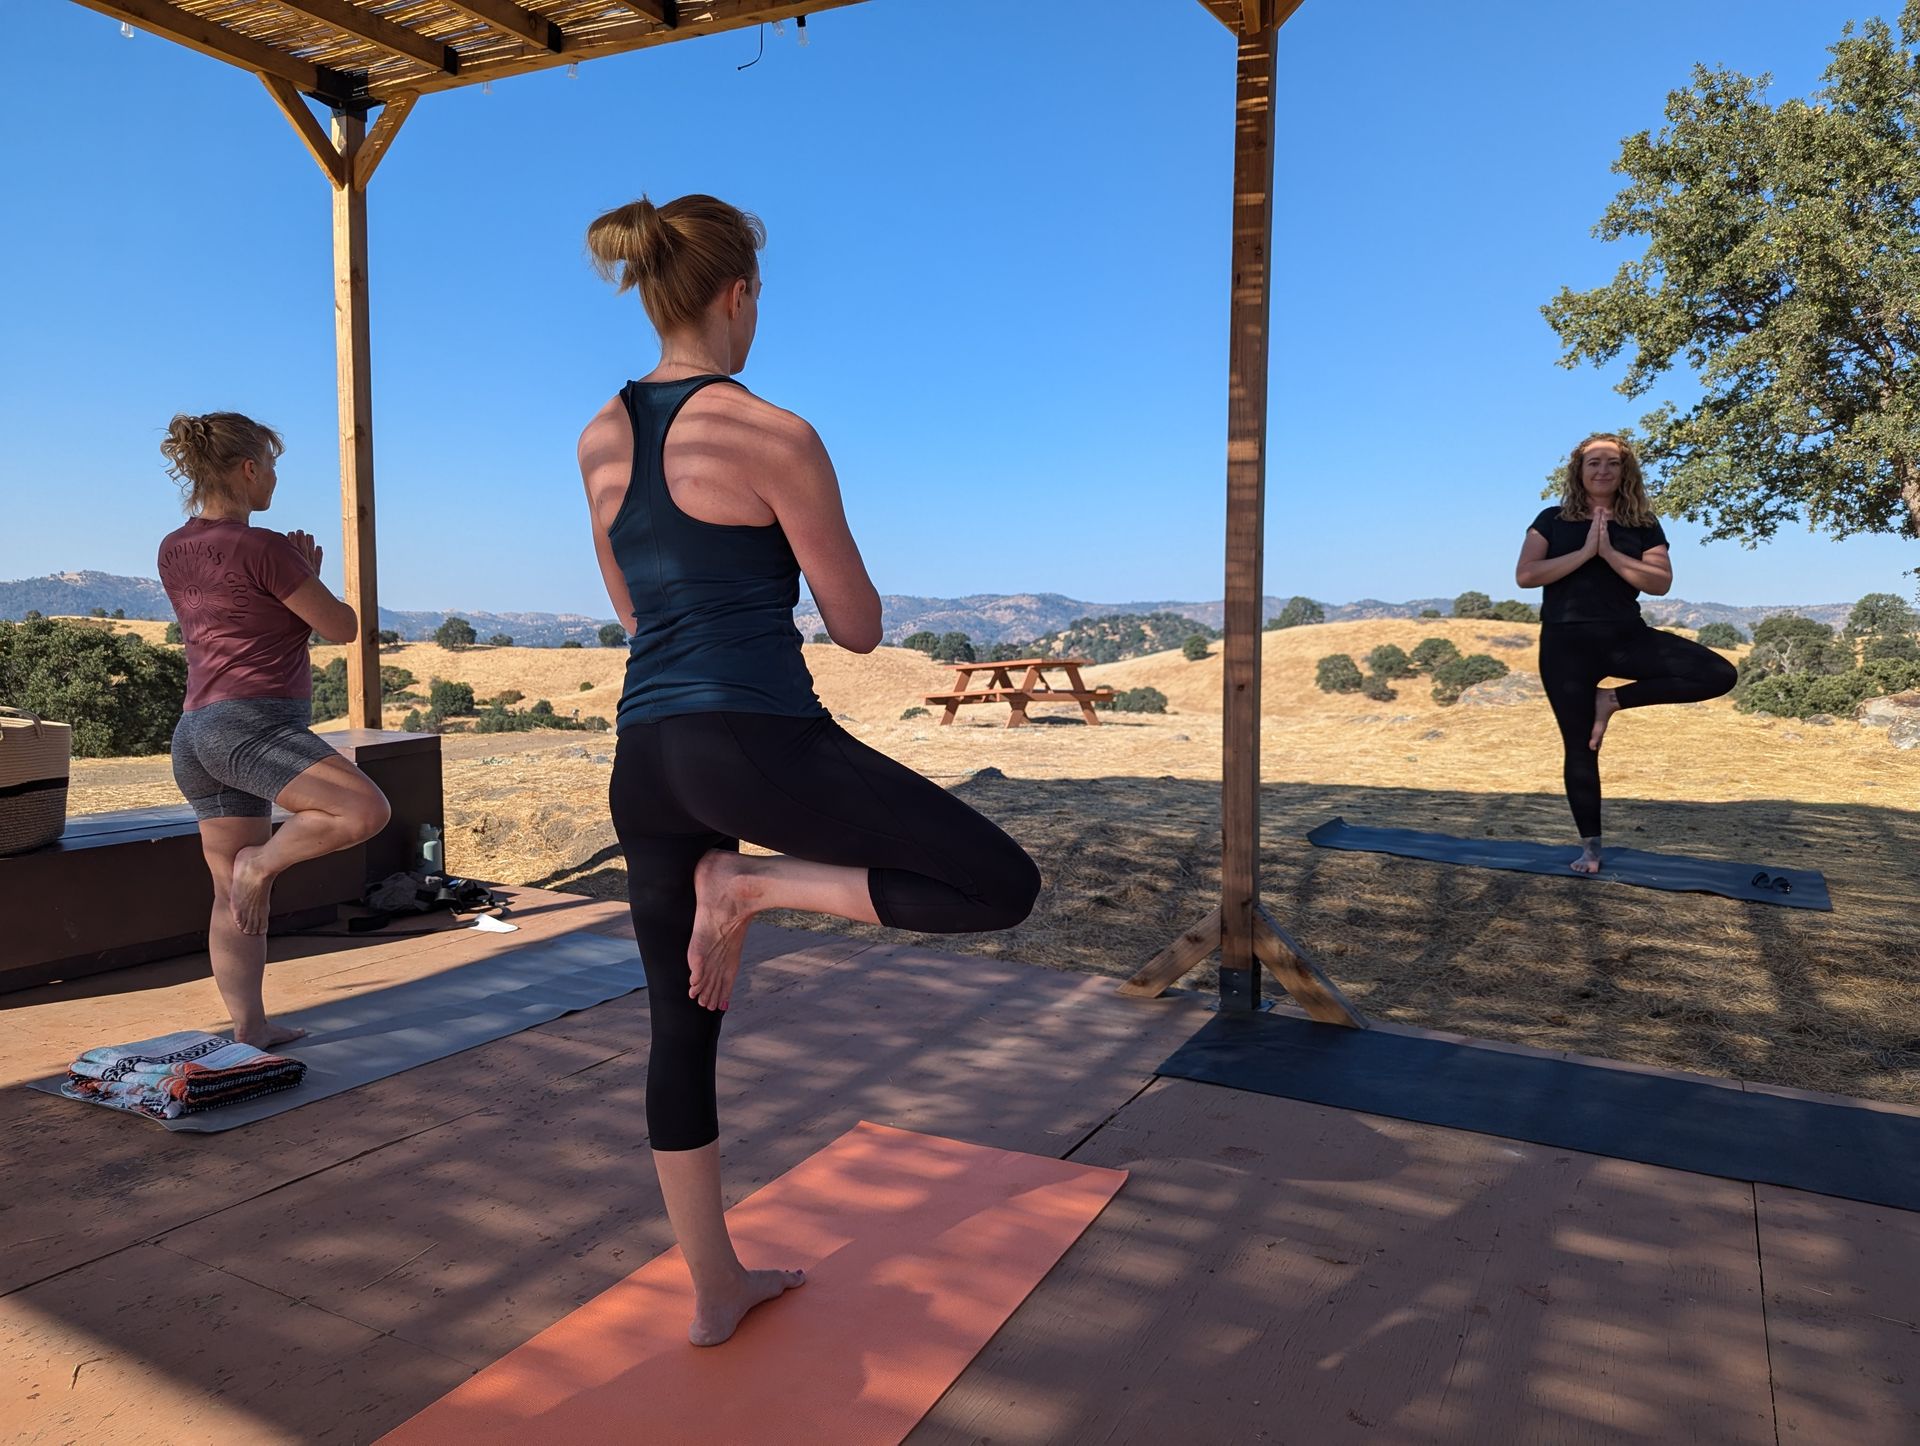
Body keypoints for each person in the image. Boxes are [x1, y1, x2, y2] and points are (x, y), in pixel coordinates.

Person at [577, 194, 1041, 1347]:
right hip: (756, 742)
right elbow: (858, 625)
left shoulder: (599, 435)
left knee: (677, 1034)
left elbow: (633, 610)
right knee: (1000, 886)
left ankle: (713, 1287)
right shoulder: (769, 430)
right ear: (738, 293)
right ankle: (755, 888)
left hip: (647, 758)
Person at [157, 413, 391, 1047]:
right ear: (249, 470)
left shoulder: (173, 547)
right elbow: (342, 627)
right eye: (273, 466)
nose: (277, 480)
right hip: (250, 724)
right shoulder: (264, 547)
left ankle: (250, 1028)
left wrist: (293, 578)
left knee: (225, 891)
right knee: (364, 809)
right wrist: (304, 573)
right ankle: (261, 866)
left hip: (196, 732)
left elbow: (243, 621)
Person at [1515, 432, 1736, 874]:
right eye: (1593, 462)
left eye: (1612, 463)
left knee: (1719, 674)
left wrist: (1610, 553)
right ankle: (1591, 850)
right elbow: (1526, 575)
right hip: (1565, 646)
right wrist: (1584, 552)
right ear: (1579, 469)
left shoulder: (1643, 524)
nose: (1602, 470)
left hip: (1626, 639)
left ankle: (1611, 700)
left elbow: (1659, 583)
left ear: (1624, 471)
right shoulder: (1551, 519)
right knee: (1582, 747)